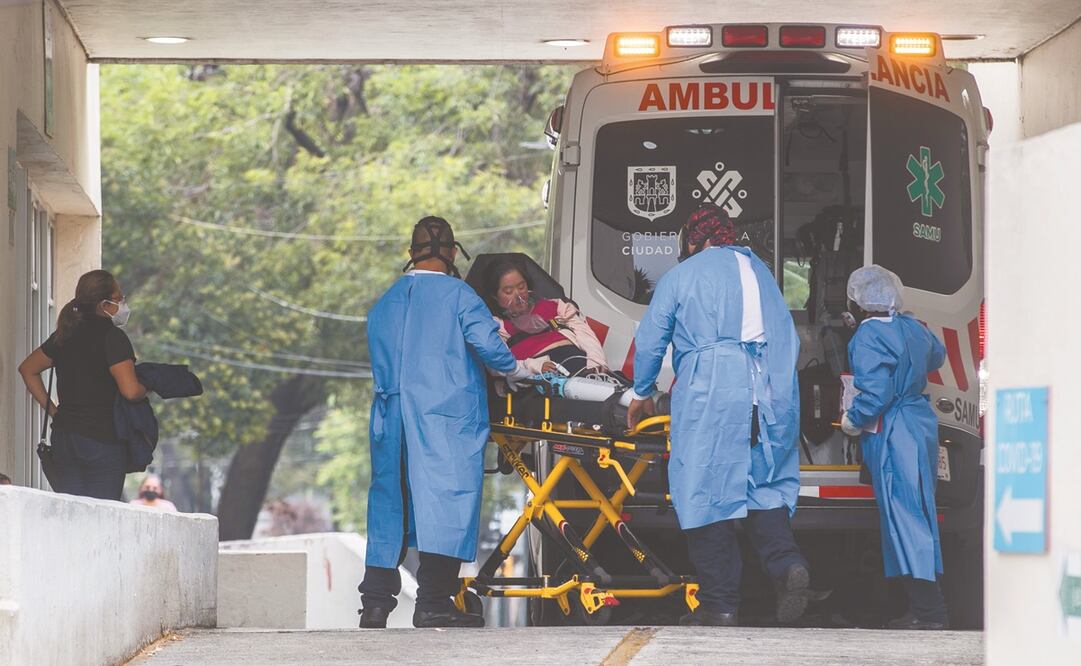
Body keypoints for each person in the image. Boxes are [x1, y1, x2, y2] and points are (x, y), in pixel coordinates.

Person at [627, 203, 810, 627]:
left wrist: (642, 392)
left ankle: (720, 605)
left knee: (706, 494)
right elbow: (788, 338)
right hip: (769, 396)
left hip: (713, 394)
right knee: (763, 487)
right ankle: (786, 565)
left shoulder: (683, 274)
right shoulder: (761, 272)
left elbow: (652, 339)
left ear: (692, 239)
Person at [358, 216, 528, 629]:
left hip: (391, 417)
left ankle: (376, 604)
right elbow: (491, 348)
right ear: (453, 253)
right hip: (443, 418)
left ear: (411, 253)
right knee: (446, 503)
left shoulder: (386, 301)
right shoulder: (461, 297)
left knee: (391, 505)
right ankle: (434, 602)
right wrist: (518, 368)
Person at [840, 265, 949, 630]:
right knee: (919, 509)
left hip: (894, 429)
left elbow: (877, 392)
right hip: (920, 422)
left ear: (858, 303)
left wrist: (853, 419)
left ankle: (929, 612)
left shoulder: (867, 338)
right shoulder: (914, 327)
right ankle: (925, 608)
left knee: (904, 517)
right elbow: (936, 356)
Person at [17, 269, 146, 501]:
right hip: (103, 440)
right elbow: (130, 390)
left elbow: (28, 369)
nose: (122, 304)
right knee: (102, 516)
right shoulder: (113, 338)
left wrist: (54, 411)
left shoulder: (65, 334)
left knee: (72, 514)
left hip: (65, 439)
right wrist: (145, 387)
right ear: (104, 303)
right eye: (119, 298)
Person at [482, 258, 608, 376]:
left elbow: (585, 334)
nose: (518, 295)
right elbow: (496, 364)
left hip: (579, 363)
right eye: (508, 292)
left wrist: (595, 362)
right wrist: (535, 366)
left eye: (521, 287)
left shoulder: (555, 306)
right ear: (495, 296)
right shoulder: (496, 326)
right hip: (543, 376)